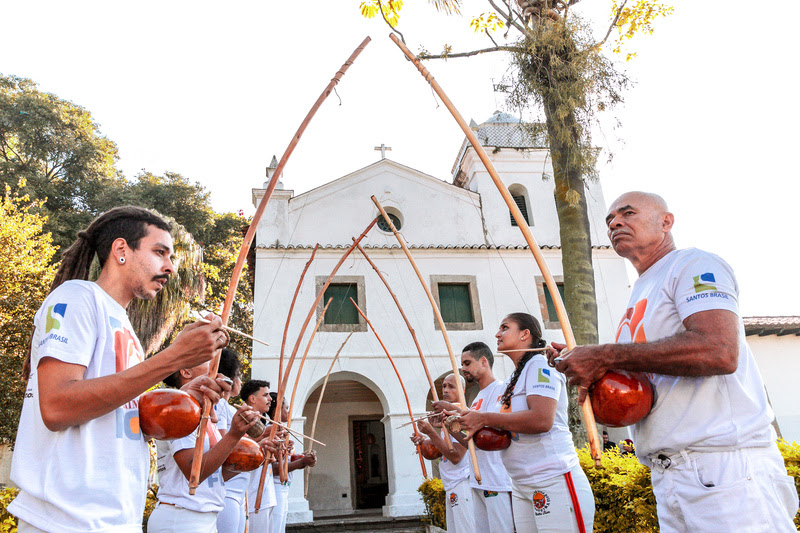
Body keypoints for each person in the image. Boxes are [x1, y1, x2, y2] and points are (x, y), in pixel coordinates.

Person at [547, 191, 799, 532]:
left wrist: (604, 354)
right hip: (670, 476)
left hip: (724, 470)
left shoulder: (693, 264)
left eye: (628, 213)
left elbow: (719, 350)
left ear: (666, 222)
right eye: (609, 221)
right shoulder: (639, 291)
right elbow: (643, 382)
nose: (615, 223)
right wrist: (586, 361)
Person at [9, 206, 230, 533]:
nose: (169, 267)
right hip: (64, 522)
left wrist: (183, 398)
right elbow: (56, 406)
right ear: (121, 250)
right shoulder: (76, 298)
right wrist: (173, 358)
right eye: (159, 252)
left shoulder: (126, 329)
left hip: (114, 521)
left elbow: (116, 415)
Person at [455, 313, 594, 533]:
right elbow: (505, 430)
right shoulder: (514, 377)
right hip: (520, 484)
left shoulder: (540, 365)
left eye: (505, 327)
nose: (497, 334)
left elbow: (541, 420)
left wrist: (484, 418)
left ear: (524, 334)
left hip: (552, 479)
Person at [147, 360, 260, 532]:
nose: (215, 367)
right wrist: (233, 435)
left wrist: (252, 455)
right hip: (182, 517)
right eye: (208, 361)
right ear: (185, 371)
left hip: (203, 516)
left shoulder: (203, 411)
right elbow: (194, 472)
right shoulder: (179, 408)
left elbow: (217, 473)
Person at [433, 342, 514, 533]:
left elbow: (495, 434)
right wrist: (449, 425)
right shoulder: (477, 398)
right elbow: (472, 441)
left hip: (497, 481)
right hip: (478, 481)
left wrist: (458, 410)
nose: (463, 368)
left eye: (467, 363)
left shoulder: (501, 389)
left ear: (484, 361)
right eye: (462, 364)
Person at [412, 373, 475, 532]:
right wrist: (424, 440)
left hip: (462, 480)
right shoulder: (447, 415)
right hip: (451, 482)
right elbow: (441, 450)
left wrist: (432, 432)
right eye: (444, 386)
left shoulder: (461, 415)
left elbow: (456, 456)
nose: (445, 390)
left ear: (462, 389)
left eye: (451, 386)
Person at [266, 393, 317, 533]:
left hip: (283, 487)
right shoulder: (270, 432)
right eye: (286, 408)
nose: (288, 412)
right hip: (275, 487)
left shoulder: (281, 431)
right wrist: (301, 462)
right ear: (276, 410)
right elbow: (274, 468)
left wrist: (302, 457)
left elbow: (286, 460)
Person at [216, 348, 249, 533]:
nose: (240, 381)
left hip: (236, 490)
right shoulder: (219, 405)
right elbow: (222, 444)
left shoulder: (227, 407)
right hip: (227, 491)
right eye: (238, 375)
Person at [240, 379, 278, 532]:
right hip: (253, 494)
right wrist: (263, 437)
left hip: (267, 494)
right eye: (266, 395)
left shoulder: (265, 422)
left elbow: (270, 460)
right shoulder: (242, 419)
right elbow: (240, 447)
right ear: (253, 398)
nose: (270, 399)